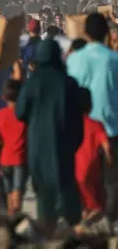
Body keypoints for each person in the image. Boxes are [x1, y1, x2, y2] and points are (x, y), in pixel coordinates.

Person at [18, 39, 84, 233]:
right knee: (66, 187)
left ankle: (47, 230)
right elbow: (78, 116)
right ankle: (73, 230)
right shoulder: (69, 83)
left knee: (44, 192)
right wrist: (75, 142)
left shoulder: (34, 82)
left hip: (38, 146)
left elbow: (20, 112)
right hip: (64, 145)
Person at [67, 12, 118, 222]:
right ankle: (110, 220)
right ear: (106, 33)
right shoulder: (114, 58)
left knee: (84, 177)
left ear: (85, 32)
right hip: (112, 127)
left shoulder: (75, 59)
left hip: (82, 130)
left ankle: (87, 216)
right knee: (112, 180)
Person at [75, 87, 111, 220]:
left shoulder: (69, 124)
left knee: (85, 206)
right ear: (90, 106)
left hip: (75, 171)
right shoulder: (96, 125)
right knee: (97, 206)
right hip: (92, 170)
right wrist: (109, 159)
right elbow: (106, 145)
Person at [0, 79, 27, 216]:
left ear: (4, 97)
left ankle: (10, 217)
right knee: (17, 190)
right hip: (20, 158)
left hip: (3, 159)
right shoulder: (25, 115)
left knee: (8, 192)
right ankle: (16, 215)